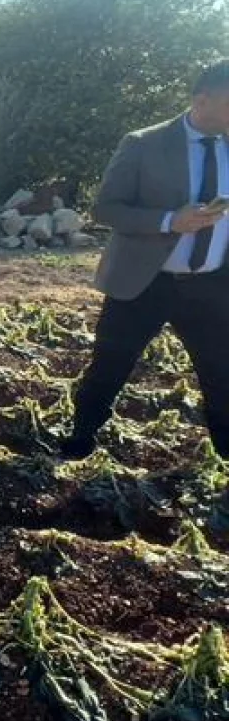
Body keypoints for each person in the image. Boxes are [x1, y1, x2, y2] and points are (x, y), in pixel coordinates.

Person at [62, 61, 229, 460]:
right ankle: (78, 441)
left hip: (213, 284)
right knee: (109, 367)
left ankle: (226, 457)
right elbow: (106, 209)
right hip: (145, 283)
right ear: (201, 99)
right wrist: (172, 221)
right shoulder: (143, 143)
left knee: (223, 377)